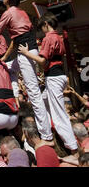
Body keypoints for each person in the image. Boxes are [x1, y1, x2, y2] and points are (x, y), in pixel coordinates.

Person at [0, 0, 53, 142]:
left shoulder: (8, 13)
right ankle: (15, 95)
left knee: (34, 94)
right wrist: (3, 59)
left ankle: (46, 135)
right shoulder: (22, 12)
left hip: (26, 53)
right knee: (8, 67)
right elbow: (14, 42)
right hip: (26, 52)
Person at [18, 12, 78, 154]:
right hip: (59, 76)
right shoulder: (59, 37)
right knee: (43, 101)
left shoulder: (48, 38)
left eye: (42, 27)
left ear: (46, 25)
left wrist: (26, 53)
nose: (42, 31)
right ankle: (50, 133)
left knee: (59, 115)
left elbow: (43, 60)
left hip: (53, 77)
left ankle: (73, 148)